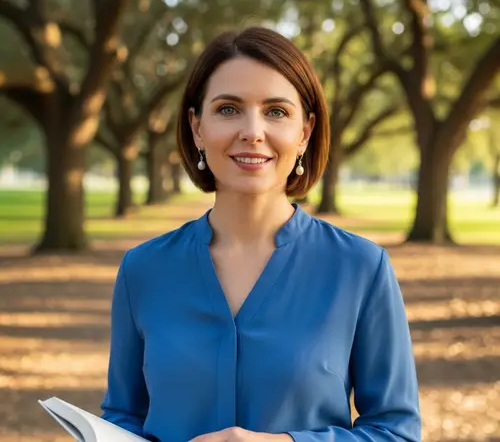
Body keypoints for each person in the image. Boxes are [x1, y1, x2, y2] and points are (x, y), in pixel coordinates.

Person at [100, 26, 421, 442]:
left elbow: (396, 432)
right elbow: (122, 416)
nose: (252, 131)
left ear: (304, 132)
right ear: (197, 127)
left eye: (276, 111)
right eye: (229, 109)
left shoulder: (362, 268)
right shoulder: (143, 269)